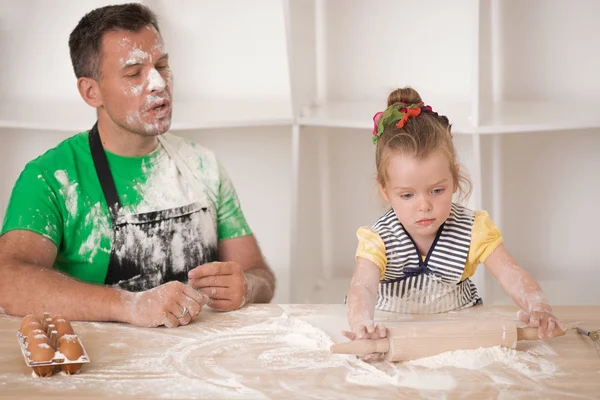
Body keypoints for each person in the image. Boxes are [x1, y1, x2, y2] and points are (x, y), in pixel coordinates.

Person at [0, 3, 275, 328]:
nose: (159, 84)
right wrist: (131, 306)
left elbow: (260, 274)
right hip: (107, 370)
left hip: (200, 364)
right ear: (91, 91)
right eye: (134, 73)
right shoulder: (52, 178)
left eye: (162, 65)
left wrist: (247, 287)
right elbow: (8, 280)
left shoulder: (203, 165)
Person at [345, 87, 563, 359]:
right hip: (393, 333)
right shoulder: (378, 239)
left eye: (437, 190)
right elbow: (362, 287)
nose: (424, 205)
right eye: (407, 195)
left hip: (461, 338)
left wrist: (537, 306)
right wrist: (363, 326)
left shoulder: (473, 230)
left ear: (455, 179)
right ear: (385, 191)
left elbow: (511, 274)